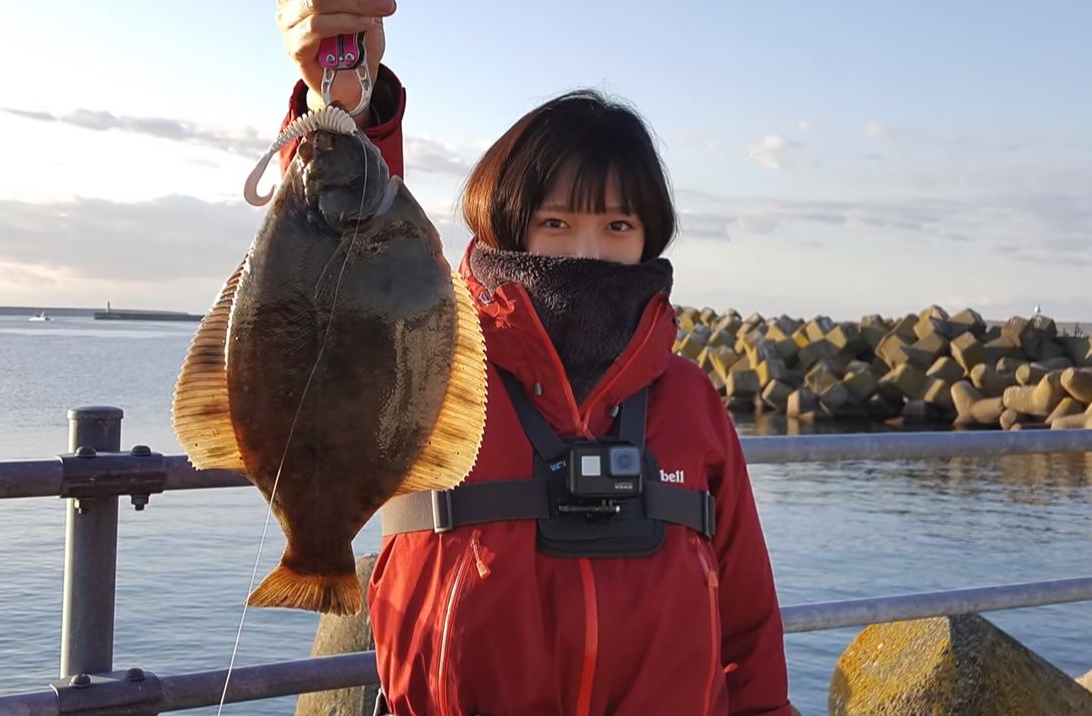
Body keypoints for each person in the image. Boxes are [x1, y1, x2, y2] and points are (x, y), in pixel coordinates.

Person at [275, 2, 792, 714]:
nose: (586, 251)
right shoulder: (432, 359)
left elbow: (749, 629)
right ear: (509, 223)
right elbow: (345, 252)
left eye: (618, 225)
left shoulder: (691, 402)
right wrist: (341, 104)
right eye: (556, 222)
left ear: (650, 237)